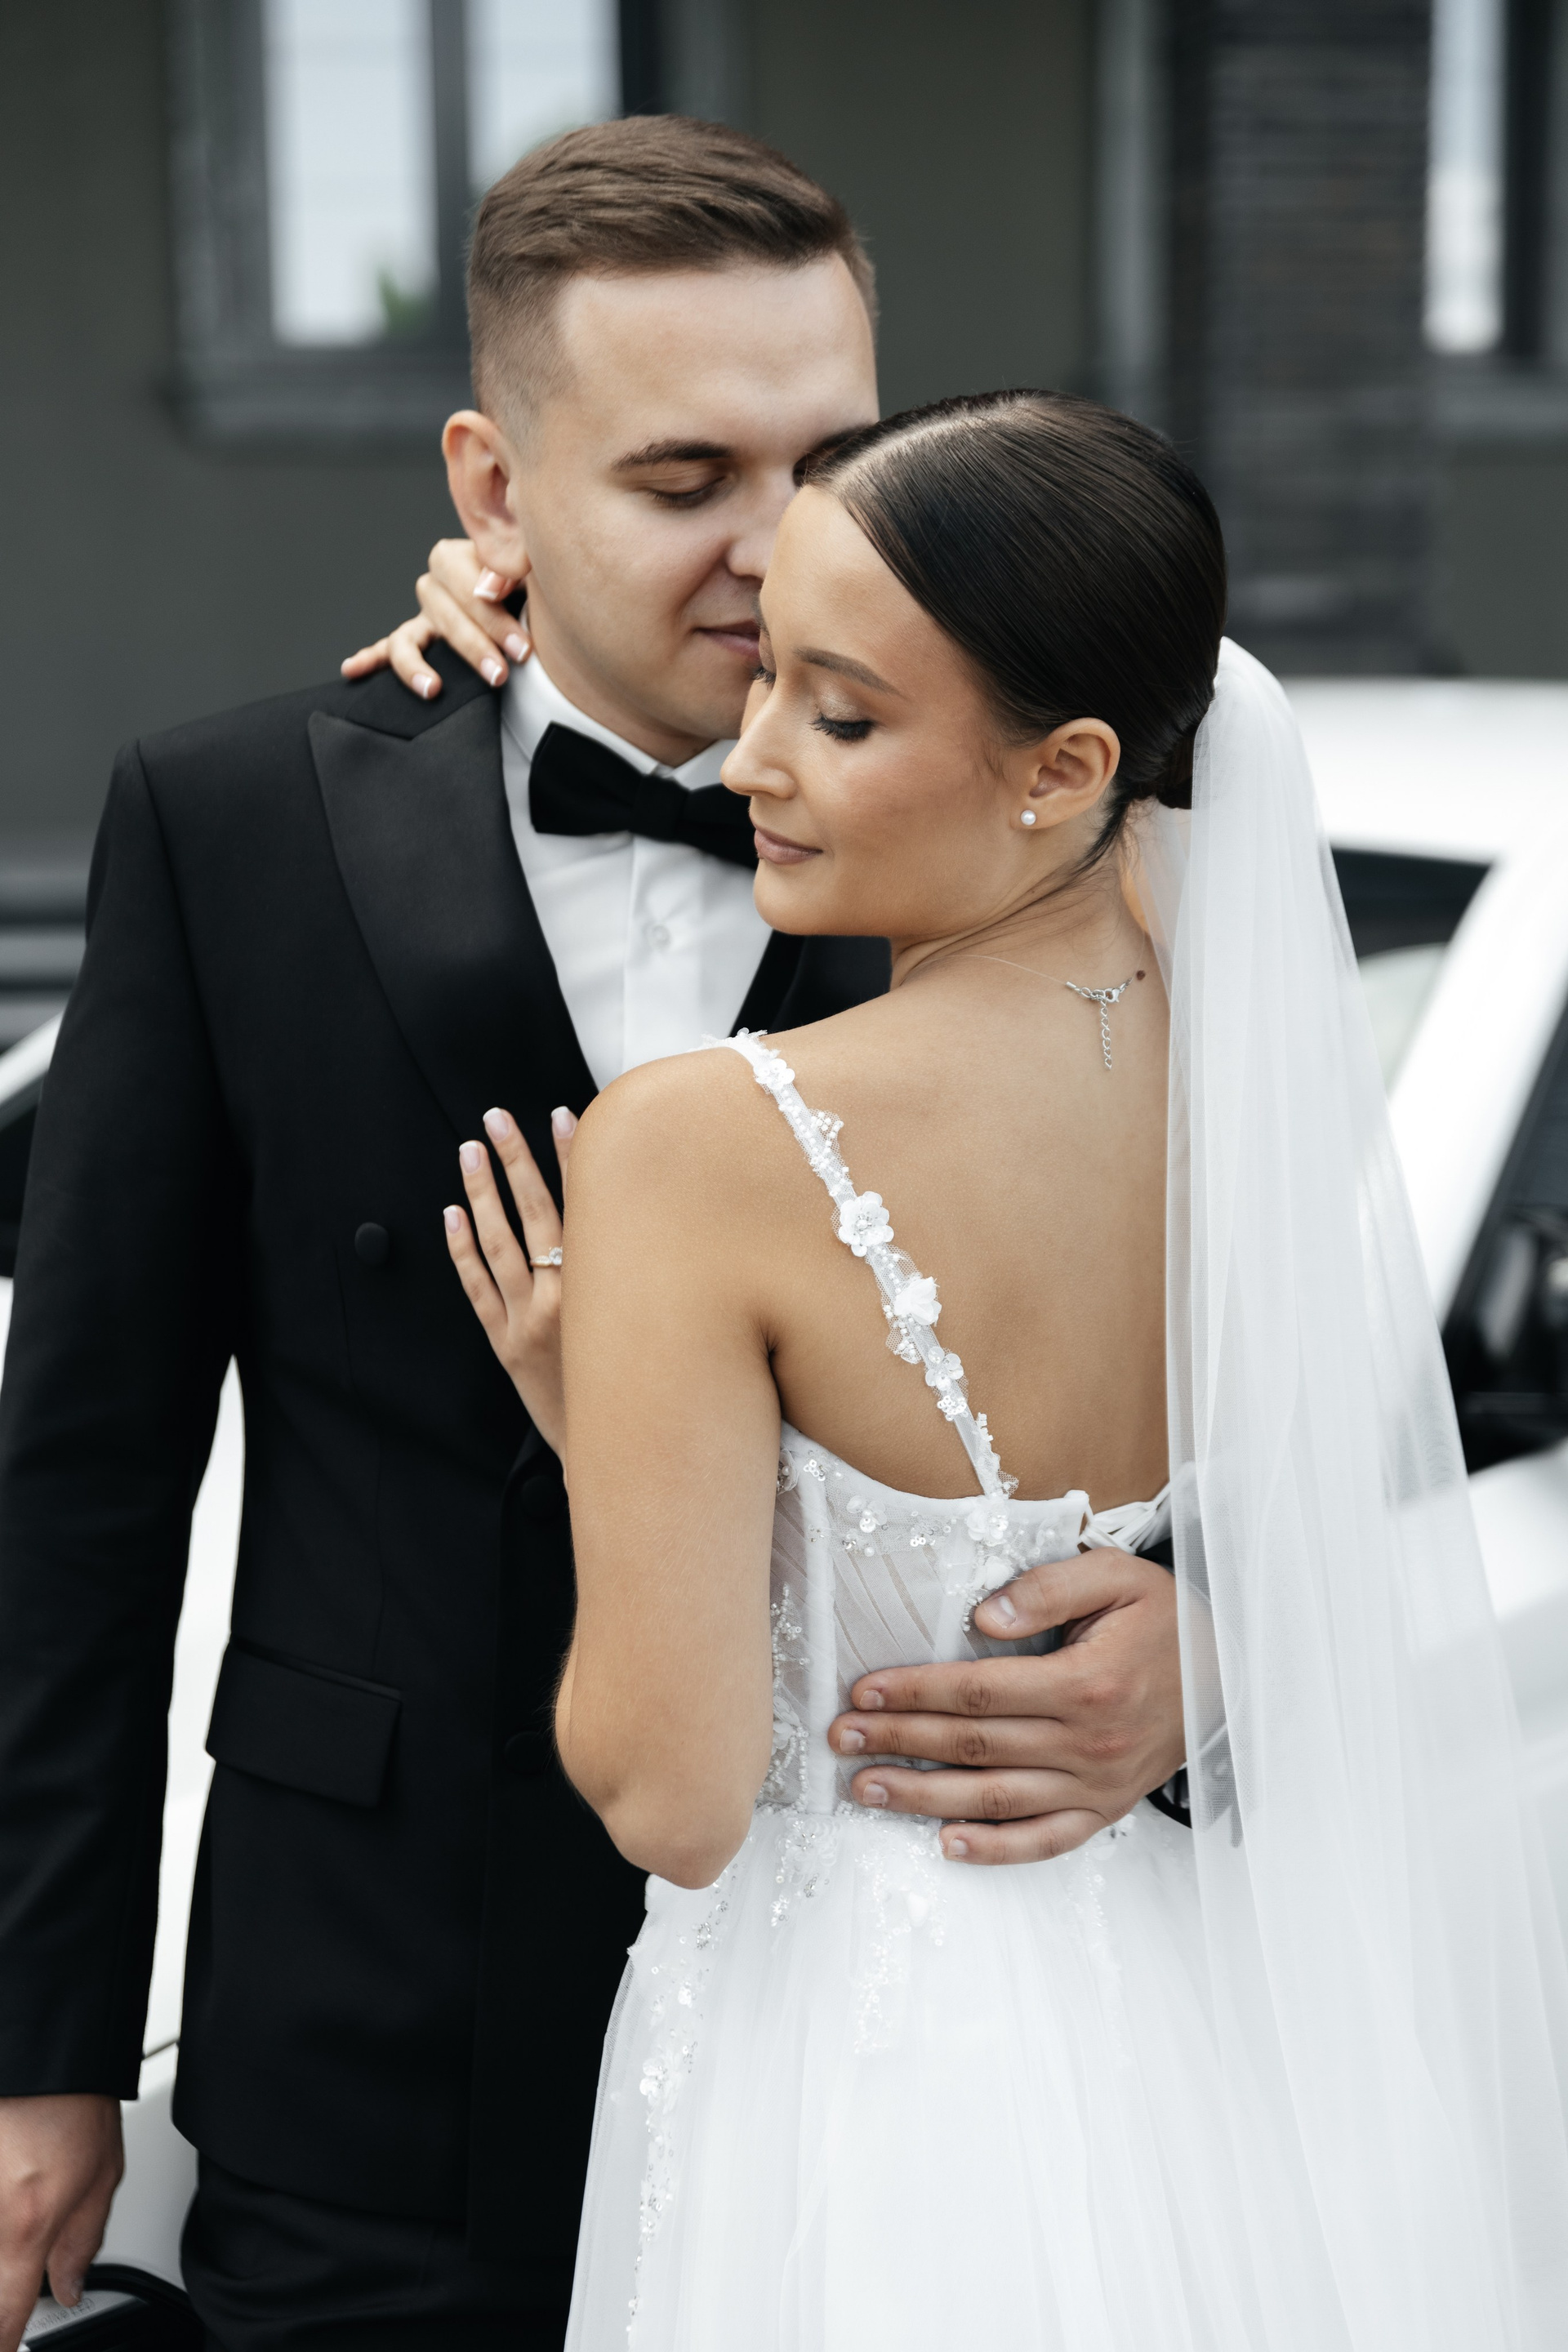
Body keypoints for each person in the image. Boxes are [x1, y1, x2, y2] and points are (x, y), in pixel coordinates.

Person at [0, 122, 1182, 2352]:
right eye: (681, 478)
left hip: (889, 2060)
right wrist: (34, 2043)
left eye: (831, 458)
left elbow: (1262, 1358)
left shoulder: (1049, 856)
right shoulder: (233, 822)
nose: (781, 542)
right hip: (369, 2025)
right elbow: (80, 1489)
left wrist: (1200, 1662)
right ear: (494, 488)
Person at [452, 390, 1568, 2349]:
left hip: (860, 2082)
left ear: (1066, 768)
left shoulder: (697, 1144)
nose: (750, 756)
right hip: (1177, 2031)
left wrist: (601, 1426)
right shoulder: (1243, 1048)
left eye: (842, 716)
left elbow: (671, 1793)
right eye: (768, 675)